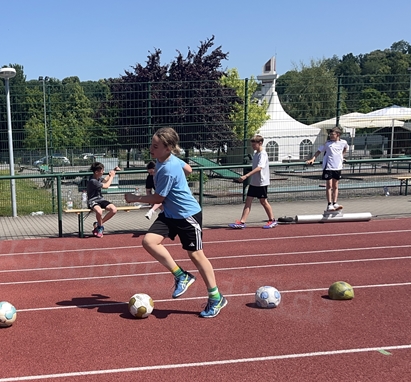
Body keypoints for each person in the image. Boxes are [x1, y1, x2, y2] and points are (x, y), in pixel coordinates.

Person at [124, 127, 227, 318]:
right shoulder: (165, 160)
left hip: (187, 215)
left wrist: (134, 198)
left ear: (168, 148)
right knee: (149, 241)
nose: (151, 149)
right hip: (170, 215)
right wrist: (179, 184)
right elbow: (188, 169)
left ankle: (216, 297)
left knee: (196, 255)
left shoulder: (167, 169)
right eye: (151, 144)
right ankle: (181, 275)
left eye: (155, 146)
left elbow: (158, 198)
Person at [228, 135, 277, 229]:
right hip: (254, 182)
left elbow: (259, 167)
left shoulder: (263, 154)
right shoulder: (255, 153)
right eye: (252, 145)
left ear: (260, 143)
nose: (253, 146)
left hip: (261, 182)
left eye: (254, 145)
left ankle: (272, 220)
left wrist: (246, 176)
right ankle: (242, 222)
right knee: (248, 200)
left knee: (263, 201)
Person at [306, 126, 348, 212]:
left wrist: (342, 156)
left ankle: (335, 203)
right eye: (330, 134)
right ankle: (329, 204)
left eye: (333, 134)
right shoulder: (327, 143)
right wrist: (313, 159)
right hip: (328, 167)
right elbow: (319, 151)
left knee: (335, 186)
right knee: (329, 186)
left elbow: (345, 148)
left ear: (338, 134)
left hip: (338, 167)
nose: (331, 136)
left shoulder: (343, 142)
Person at [86, 162, 120, 238]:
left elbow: (105, 179)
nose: (103, 172)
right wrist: (112, 177)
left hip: (100, 199)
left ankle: (98, 225)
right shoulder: (93, 181)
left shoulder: (97, 178)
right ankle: (100, 228)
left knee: (114, 209)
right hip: (93, 200)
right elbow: (106, 185)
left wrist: (114, 170)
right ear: (96, 172)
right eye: (102, 171)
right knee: (99, 211)